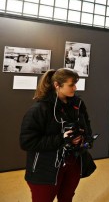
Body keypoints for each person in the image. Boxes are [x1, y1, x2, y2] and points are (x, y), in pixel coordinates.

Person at [20, 68, 96, 202]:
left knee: (67, 198)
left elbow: (86, 124)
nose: (75, 87)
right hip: (45, 168)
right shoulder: (38, 110)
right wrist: (62, 139)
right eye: (71, 84)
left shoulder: (78, 103)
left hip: (73, 162)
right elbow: (27, 142)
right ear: (57, 85)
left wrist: (84, 138)